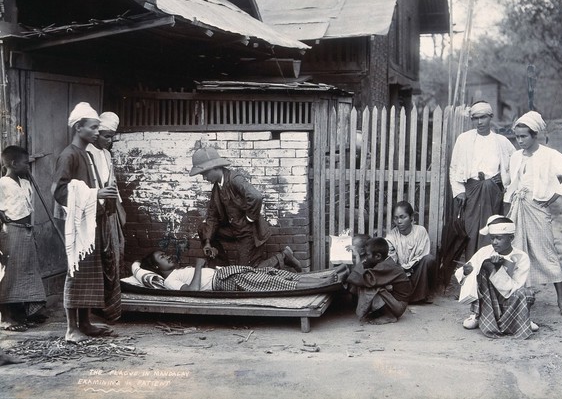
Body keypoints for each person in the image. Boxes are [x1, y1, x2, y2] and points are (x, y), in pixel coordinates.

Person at [53, 102, 120, 343]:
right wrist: (96, 195)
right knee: (77, 273)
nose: (96, 132)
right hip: (79, 223)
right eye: (92, 128)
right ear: (78, 127)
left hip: (92, 220)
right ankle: (72, 329)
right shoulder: (69, 154)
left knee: (90, 273)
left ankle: (85, 323)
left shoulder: (87, 154)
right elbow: (58, 190)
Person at [505, 111, 562, 317]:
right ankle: (521, 296)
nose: (519, 141)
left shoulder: (549, 155)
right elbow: (512, 182)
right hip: (518, 206)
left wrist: (554, 197)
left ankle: (561, 300)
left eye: (524, 136)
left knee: (546, 251)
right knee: (517, 250)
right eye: (517, 136)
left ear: (534, 135)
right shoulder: (514, 157)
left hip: (538, 208)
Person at [190, 148, 288, 269]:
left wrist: (249, 218)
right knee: (203, 229)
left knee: (244, 273)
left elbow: (256, 196)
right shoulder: (217, 188)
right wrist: (208, 242)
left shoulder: (234, 179)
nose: (204, 178)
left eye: (205, 173)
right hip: (234, 230)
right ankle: (222, 268)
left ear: (214, 168)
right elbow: (212, 216)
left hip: (250, 234)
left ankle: (283, 257)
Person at [449, 101, 516, 261]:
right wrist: (459, 191)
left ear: (490, 117)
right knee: (471, 231)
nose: (479, 122)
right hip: (471, 190)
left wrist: (505, 176)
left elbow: (516, 162)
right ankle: (472, 268)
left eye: (483, 117)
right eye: (475, 118)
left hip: (492, 191)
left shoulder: (501, 141)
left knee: (491, 229)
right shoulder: (464, 140)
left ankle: (490, 266)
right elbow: (454, 166)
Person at [455, 215, 537, 339]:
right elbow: (465, 271)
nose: (494, 242)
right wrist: (466, 271)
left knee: (525, 293)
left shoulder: (521, 257)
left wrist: (498, 269)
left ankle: (522, 318)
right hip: (487, 297)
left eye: (498, 238)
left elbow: (515, 287)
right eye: (492, 238)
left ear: (511, 238)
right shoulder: (485, 251)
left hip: (508, 299)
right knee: (481, 270)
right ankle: (478, 315)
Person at [132, 250, 347, 292]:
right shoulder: (170, 281)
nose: (168, 256)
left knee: (275, 274)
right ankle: (325, 283)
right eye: (162, 257)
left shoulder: (178, 270)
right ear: (156, 268)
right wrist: (198, 266)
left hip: (226, 272)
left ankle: (327, 276)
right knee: (276, 283)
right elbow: (193, 291)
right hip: (224, 281)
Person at [0, 146, 47, 332]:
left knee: (25, 272)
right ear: (13, 163)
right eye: (25, 164)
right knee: (8, 275)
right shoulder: (2, 183)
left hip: (27, 230)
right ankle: (5, 318)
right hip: (10, 231)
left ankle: (21, 314)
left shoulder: (25, 183)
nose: (28, 167)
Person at [86, 111, 126, 322]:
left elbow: (112, 183)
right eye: (106, 136)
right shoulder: (88, 153)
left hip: (110, 209)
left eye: (112, 137)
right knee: (101, 257)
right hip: (95, 211)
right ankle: (95, 306)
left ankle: (110, 305)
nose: (109, 141)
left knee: (115, 253)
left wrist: (119, 207)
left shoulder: (107, 154)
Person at [345, 237, 412, 325]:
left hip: (398, 306)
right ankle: (380, 312)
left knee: (368, 286)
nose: (366, 257)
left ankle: (389, 316)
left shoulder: (386, 267)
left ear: (378, 256)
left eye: (367, 255)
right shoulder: (385, 262)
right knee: (368, 282)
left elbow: (363, 278)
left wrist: (357, 256)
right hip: (394, 303)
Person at [385, 201, 437, 303]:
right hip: (400, 274)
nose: (399, 221)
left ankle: (421, 294)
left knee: (429, 260)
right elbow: (391, 260)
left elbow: (422, 255)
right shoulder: (391, 237)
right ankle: (411, 296)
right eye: (396, 218)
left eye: (402, 217)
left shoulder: (420, 231)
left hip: (417, 271)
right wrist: (400, 269)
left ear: (411, 217)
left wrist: (406, 267)